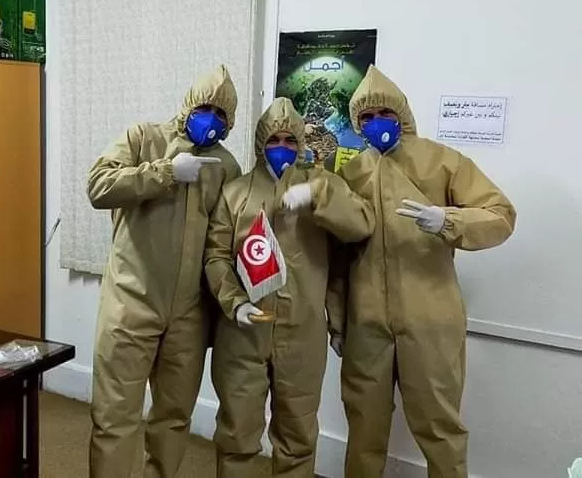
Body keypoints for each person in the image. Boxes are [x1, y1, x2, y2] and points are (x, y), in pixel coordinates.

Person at [332, 65, 516, 478]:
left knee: (440, 428)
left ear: (402, 113)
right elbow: (339, 257)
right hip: (366, 324)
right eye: (367, 116)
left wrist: (448, 220)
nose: (377, 122)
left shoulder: (441, 161)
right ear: (357, 123)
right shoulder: (352, 173)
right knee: (363, 426)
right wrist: (337, 320)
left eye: (385, 112)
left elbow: (501, 215)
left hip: (430, 319)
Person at [204, 97, 375, 478]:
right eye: (273, 139)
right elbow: (215, 256)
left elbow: (358, 231)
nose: (281, 147)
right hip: (243, 333)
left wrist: (318, 196)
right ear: (259, 143)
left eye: (290, 140)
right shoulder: (235, 193)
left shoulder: (322, 187)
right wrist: (234, 302)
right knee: (237, 434)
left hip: (303, 332)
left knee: (297, 435)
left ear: (301, 143)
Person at [86, 64, 242, 478]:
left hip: (189, 313)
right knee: (115, 415)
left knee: (174, 417)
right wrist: (166, 172)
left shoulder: (226, 167)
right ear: (188, 105)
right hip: (131, 302)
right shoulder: (144, 138)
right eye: (205, 107)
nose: (211, 118)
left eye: (221, 114)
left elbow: (223, 241)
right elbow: (99, 187)